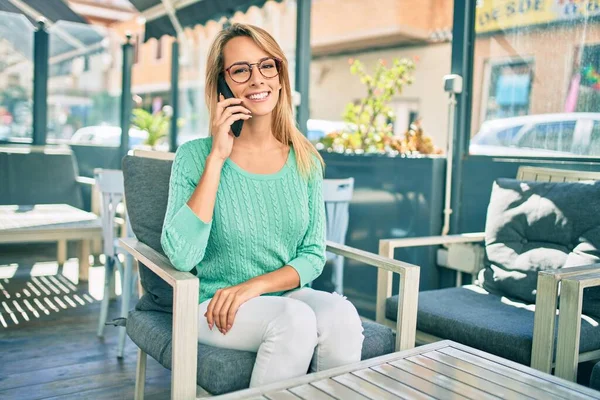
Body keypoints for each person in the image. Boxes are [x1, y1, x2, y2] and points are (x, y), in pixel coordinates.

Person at [160, 23, 364, 388]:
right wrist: (218, 158)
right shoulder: (194, 156)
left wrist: (254, 287)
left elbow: (313, 254)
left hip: (280, 294)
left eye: (266, 66)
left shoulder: (305, 160)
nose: (257, 79)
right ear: (223, 85)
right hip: (210, 303)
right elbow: (181, 255)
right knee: (294, 321)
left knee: (341, 314)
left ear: (281, 76)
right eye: (241, 70)